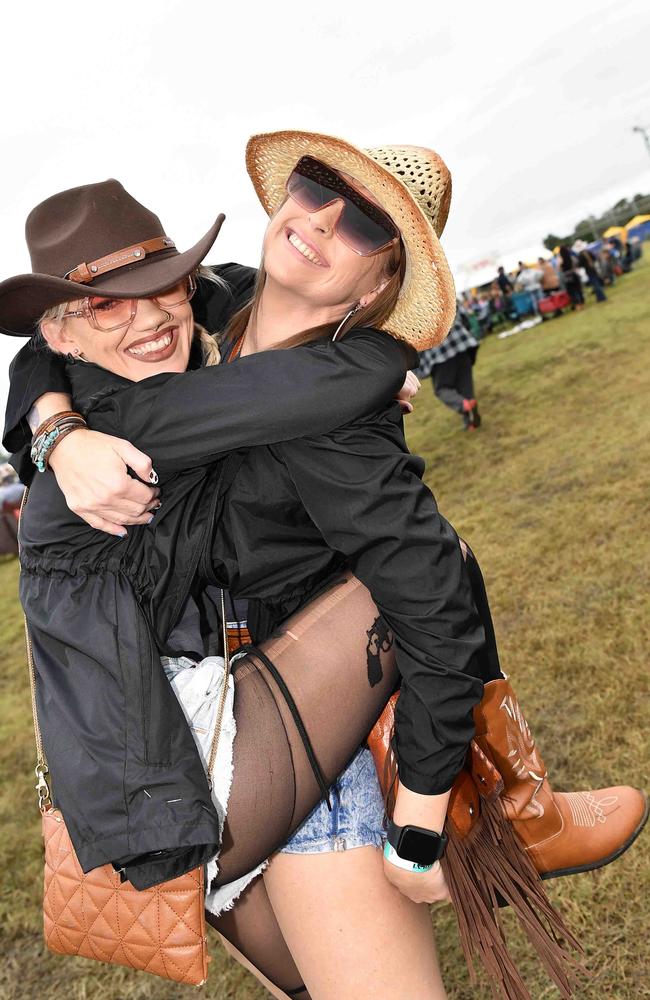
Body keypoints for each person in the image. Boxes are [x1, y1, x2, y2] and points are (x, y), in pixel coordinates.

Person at [3, 134, 646, 999]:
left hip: (211, 745)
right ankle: (520, 808)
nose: (148, 316)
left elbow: (104, 333)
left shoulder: (209, 314)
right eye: (314, 187)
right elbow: (283, 396)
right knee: (438, 565)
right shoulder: (109, 421)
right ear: (64, 333)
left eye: (160, 286)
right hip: (187, 756)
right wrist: (53, 425)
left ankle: (516, 806)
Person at [416, 308, 481, 430]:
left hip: (439, 355)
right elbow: (464, 317)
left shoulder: (411, 308)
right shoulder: (444, 290)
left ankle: (463, 405)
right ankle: (471, 422)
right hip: (461, 343)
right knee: (465, 386)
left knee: (442, 389)